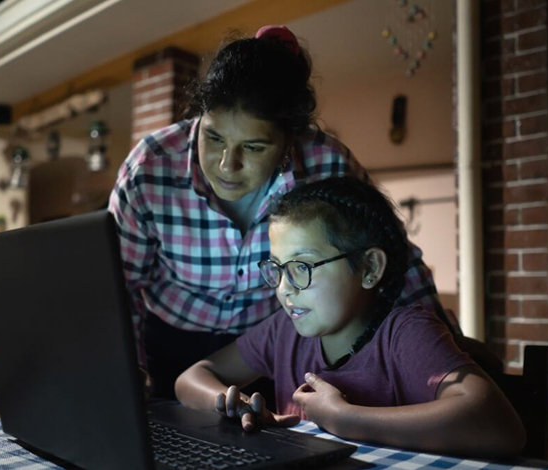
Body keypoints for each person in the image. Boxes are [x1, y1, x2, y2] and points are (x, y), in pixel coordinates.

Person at [108, 25, 450, 399]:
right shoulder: (150, 167)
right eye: (213, 138)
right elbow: (116, 285)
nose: (226, 165)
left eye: (253, 147)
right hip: (169, 341)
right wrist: (126, 367)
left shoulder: (325, 163)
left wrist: (444, 344)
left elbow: (394, 257)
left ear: (290, 140)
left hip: (270, 347)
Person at [174, 176, 525, 458]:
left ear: (369, 267)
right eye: (277, 268)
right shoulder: (284, 332)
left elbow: (500, 427)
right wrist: (234, 404)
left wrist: (346, 418)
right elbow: (192, 378)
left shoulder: (405, 333)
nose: (284, 288)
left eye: (301, 266)